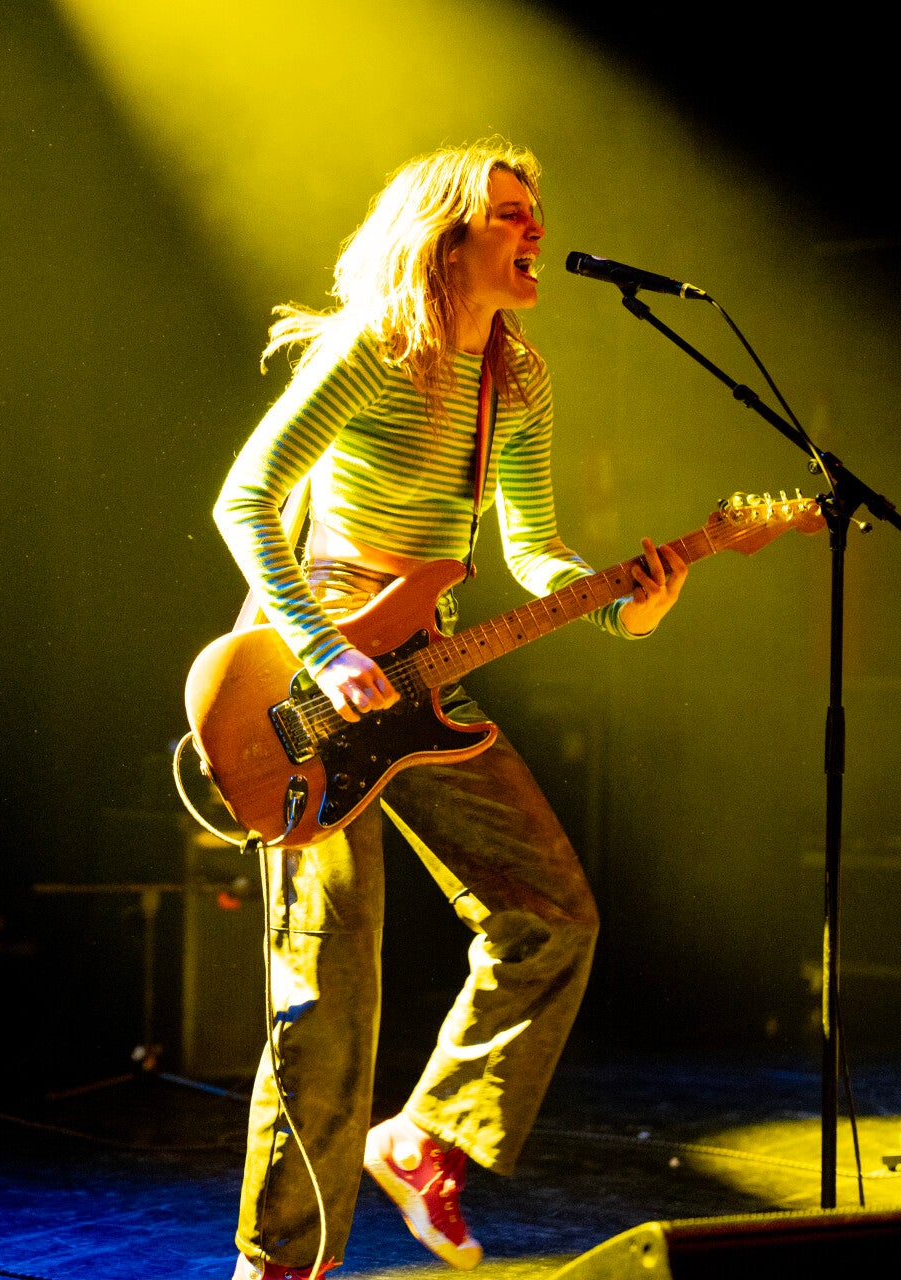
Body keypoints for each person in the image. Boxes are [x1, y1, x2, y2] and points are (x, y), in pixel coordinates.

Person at [212, 140, 687, 1277]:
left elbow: (532, 546)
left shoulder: (518, 379)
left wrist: (627, 608)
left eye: (536, 211)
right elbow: (245, 498)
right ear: (447, 235)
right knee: (330, 978)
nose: (535, 230)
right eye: (510, 213)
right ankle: (281, 1264)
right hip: (308, 670)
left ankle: (426, 1135)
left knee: (554, 912)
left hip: (424, 666)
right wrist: (324, 647)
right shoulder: (371, 349)